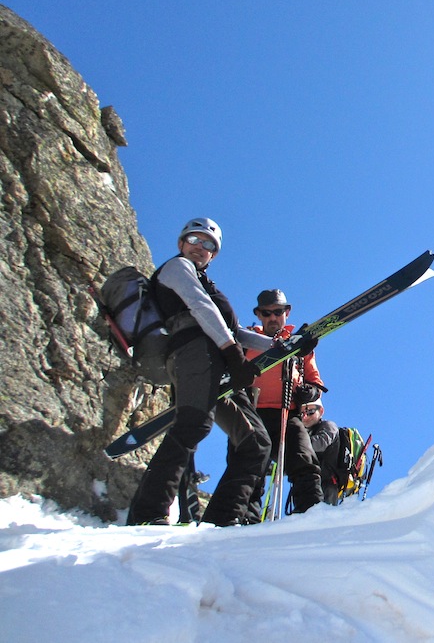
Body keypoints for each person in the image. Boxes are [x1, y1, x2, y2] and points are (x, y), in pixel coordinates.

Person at [127, 218, 288, 526]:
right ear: (181, 243)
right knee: (193, 424)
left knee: (256, 443)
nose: (201, 248)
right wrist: (232, 352)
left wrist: (279, 346)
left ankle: (222, 521)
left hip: (220, 363)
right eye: (195, 240)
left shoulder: (206, 282)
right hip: (193, 353)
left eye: (209, 245)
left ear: (214, 255)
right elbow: (200, 308)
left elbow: (235, 331)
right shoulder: (177, 268)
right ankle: (147, 514)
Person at [246, 289, 326, 515]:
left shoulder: (301, 345)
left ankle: (312, 513)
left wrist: (308, 393)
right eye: (266, 313)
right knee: (249, 467)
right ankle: (245, 518)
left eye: (278, 312)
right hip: (250, 413)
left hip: (286, 413)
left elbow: (315, 382)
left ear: (286, 313)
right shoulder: (247, 338)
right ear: (259, 314)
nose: (273, 317)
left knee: (304, 459)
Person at [299, 398, 346, 505]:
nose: (305, 417)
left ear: (321, 411)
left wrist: (295, 445)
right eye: (301, 414)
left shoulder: (329, 426)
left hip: (327, 485)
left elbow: (320, 444)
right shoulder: (305, 433)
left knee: (323, 519)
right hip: (308, 486)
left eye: (310, 412)